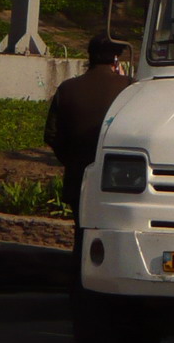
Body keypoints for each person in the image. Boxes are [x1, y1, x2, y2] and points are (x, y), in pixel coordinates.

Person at [44, 35, 134, 226]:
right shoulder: (129, 88)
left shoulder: (67, 88)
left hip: (78, 178)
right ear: (116, 60)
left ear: (90, 57)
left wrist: (73, 160)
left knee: (82, 234)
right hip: (119, 182)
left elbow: (51, 134)